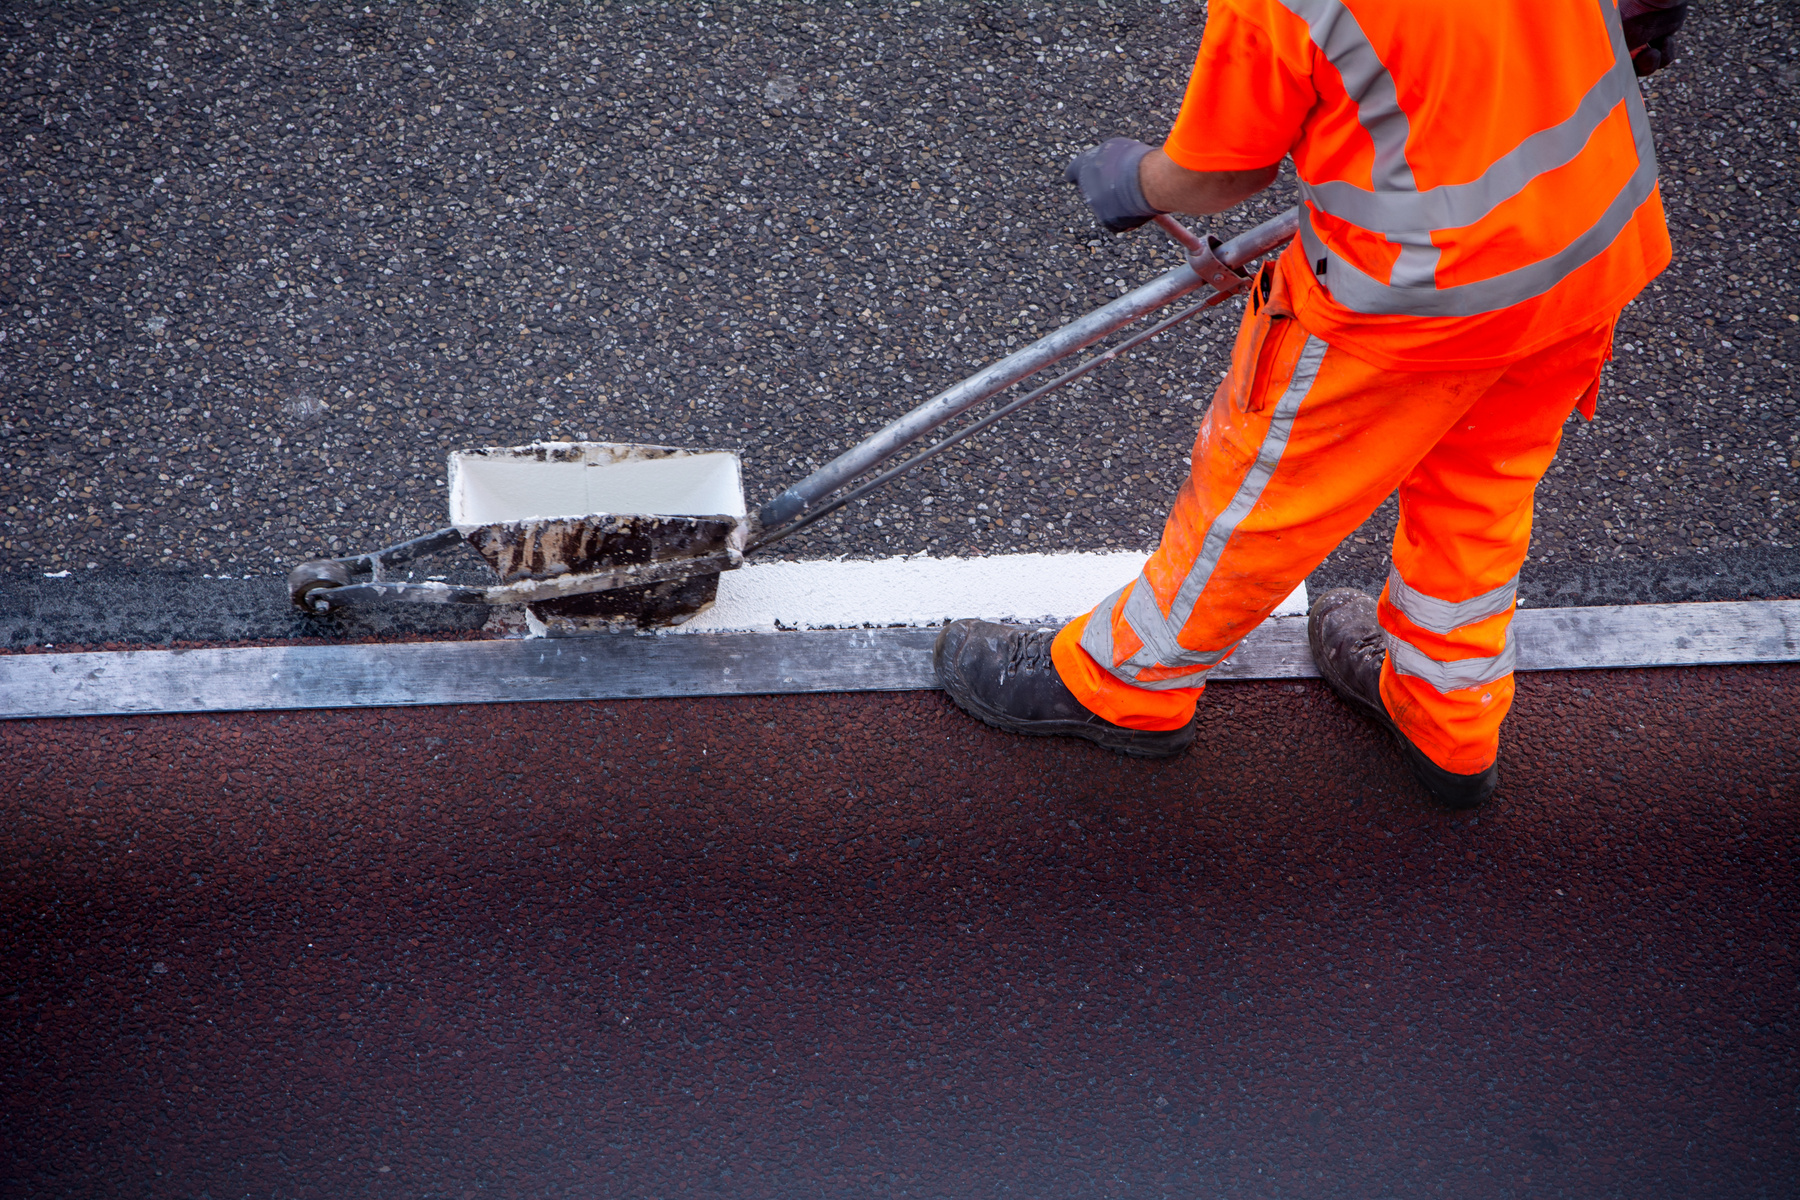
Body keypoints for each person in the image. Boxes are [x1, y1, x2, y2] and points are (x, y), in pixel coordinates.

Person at [934, 0, 1687, 808]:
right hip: (1584, 249)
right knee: (1480, 491)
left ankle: (1122, 684)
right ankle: (1449, 717)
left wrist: (1132, 181)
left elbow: (1223, 170)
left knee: (1264, 503)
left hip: (1410, 302)